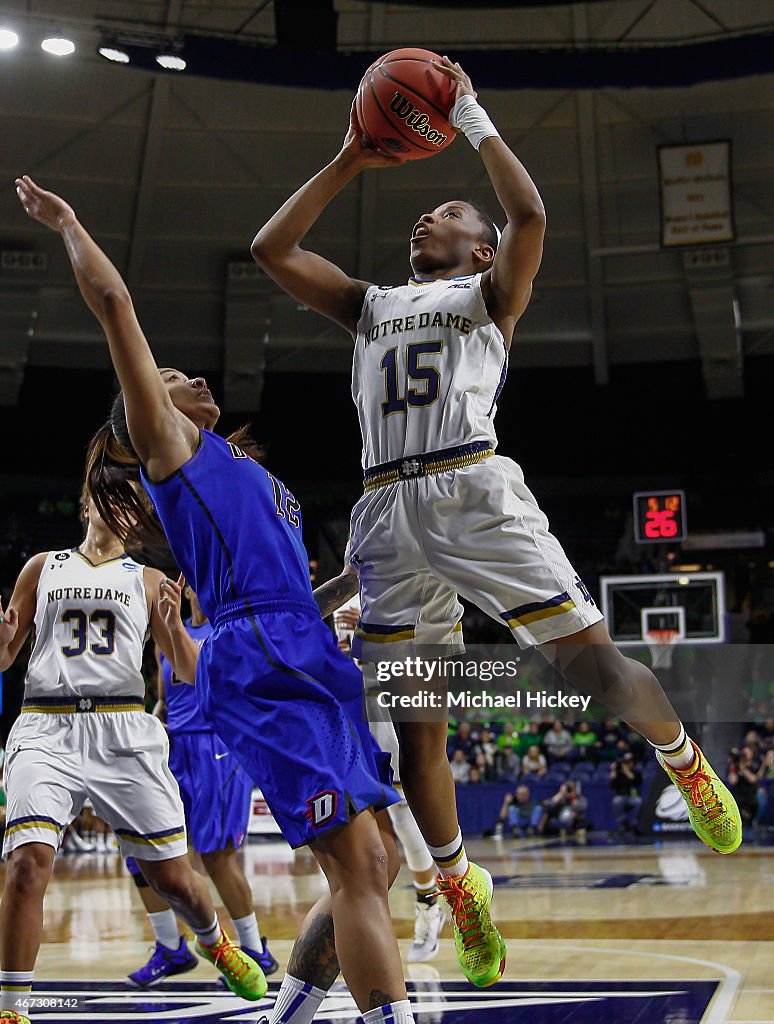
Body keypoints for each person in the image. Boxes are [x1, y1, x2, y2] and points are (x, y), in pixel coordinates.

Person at [251, 53, 742, 941]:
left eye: (446, 212)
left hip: (473, 486)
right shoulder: (370, 305)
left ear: (480, 248)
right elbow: (270, 249)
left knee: (586, 665)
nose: (425, 214)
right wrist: (352, 158)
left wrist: (469, 113)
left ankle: (682, 758)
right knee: (419, 731)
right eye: (423, 208)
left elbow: (530, 213)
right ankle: (459, 881)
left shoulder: (490, 294)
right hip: (384, 511)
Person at [16, 175, 415, 1024]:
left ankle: (289, 1013)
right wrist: (73, 224)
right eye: (165, 378)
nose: (185, 374)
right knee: (353, 866)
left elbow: (287, 585)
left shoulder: (247, 474)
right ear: (145, 417)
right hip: (261, 655)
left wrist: (351, 576)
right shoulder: (170, 451)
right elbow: (116, 304)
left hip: (300, 637)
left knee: (373, 861)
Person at [0, 469, 265, 1024]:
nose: (114, 507)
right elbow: (5, 659)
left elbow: (190, 670)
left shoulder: (148, 580)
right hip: (46, 726)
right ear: (86, 503)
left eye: (128, 502)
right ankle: (11, 1008)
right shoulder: (41, 568)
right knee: (27, 865)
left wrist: (180, 632)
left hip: (123, 728)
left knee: (174, 879)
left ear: (137, 519)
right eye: (105, 496)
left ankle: (214, 942)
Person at [126, 583, 278, 987]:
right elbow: (164, 701)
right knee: (141, 849)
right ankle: (170, 946)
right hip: (174, 750)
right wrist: (152, 722)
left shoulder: (228, 633)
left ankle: (254, 950)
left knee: (216, 857)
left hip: (218, 749)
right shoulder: (167, 637)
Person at [335, 599, 447, 964]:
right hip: (343, 709)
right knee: (346, 819)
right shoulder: (344, 587)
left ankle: (428, 903)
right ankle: (350, 921)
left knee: (400, 811)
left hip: (385, 707)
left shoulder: (393, 587)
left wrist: (365, 637)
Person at [609, 751, 643, 835]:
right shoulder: (618, 774)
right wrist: (613, 771)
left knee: (639, 801)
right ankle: (623, 822)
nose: (627, 765)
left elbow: (636, 782)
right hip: (621, 796)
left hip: (632, 797)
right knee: (617, 801)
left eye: (629, 763)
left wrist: (626, 771)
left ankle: (635, 823)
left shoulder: (636, 773)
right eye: (626, 763)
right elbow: (611, 785)